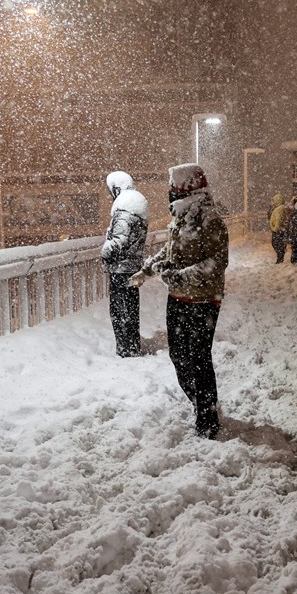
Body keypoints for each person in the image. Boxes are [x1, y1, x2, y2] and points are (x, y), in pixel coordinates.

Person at [133, 163, 228, 439]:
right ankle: (200, 403)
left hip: (204, 301)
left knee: (199, 358)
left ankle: (208, 419)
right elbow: (170, 251)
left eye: (173, 191)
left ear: (187, 191)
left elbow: (216, 263)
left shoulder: (211, 220)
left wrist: (179, 278)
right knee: (179, 356)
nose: (170, 197)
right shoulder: (181, 220)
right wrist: (148, 269)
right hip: (178, 300)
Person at [100, 170, 148, 357]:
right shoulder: (137, 208)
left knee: (120, 312)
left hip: (121, 269)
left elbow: (119, 240)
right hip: (133, 266)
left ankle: (126, 349)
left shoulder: (125, 210)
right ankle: (132, 346)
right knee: (130, 309)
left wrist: (104, 252)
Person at [269, 193, 290, 263]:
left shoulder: (280, 209)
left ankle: (280, 259)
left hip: (278, 230)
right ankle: (280, 257)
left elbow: (278, 219)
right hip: (279, 229)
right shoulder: (279, 208)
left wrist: (276, 228)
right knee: (278, 244)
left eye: (274, 201)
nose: (273, 202)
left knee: (277, 244)